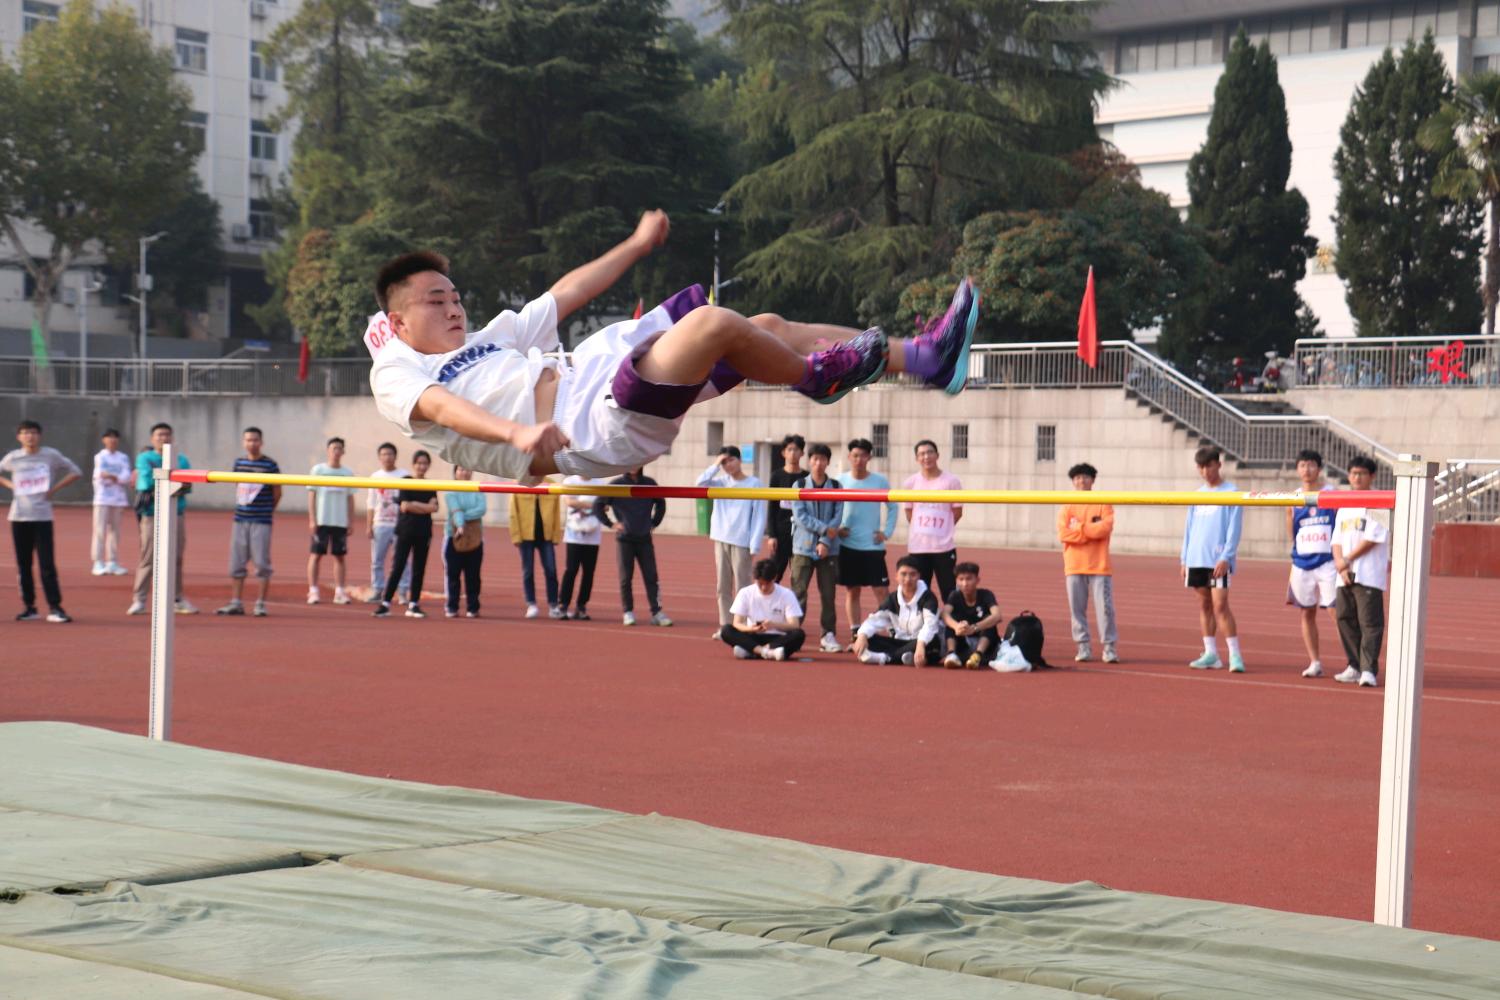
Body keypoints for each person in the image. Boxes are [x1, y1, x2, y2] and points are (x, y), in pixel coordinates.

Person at [365, 211, 979, 487]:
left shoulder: (485, 339)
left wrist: (636, 244)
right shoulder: (396, 370)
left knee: (762, 324)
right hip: (592, 424)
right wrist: (515, 433)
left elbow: (566, 294)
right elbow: (442, 408)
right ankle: (817, 377)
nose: (454, 309)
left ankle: (927, 359)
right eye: (436, 302)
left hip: (597, 371)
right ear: (397, 321)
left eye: (455, 297)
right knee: (712, 323)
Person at [1, 420, 81, 622]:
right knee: (23, 564)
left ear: (40, 435)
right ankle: (29, 607)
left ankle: (55, 607)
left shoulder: (50, 455)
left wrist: (54, 489)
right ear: (19, 437)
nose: (30, 436)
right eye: (26, 433)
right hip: (19, 517)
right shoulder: (13, 458)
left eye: (34, 432)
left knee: (47, 564)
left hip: (42, 517)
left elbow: (76, 471)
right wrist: (11, 485)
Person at [1181, 445, 1244, 672]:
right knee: (1204, 605)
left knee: (1220, 605)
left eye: (1209, 466)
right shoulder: (1197, 495)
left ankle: (1235, 655)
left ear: (1219, 464)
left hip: (1218, 559)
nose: (1205, 471)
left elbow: (1234, 528)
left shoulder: (1232, 493)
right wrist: (1184, 559)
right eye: (1201, 467)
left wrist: (1227, 556)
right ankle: (1211, 654)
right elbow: (1189, 528)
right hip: (1196, 558)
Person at [696, 445, 767, 639]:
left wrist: (755, 544)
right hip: (721, 539)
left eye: (731, 460)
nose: (728, 465)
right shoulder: (720, 483)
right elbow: (699, 484)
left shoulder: (754, 484)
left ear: (740, 460)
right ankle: (725, 627)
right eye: (724, 462)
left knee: (743, 587)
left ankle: (743, 625)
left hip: (742, 542)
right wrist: (715, 464)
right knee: (723, 586)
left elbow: (759, 516)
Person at [1332, 456, 1390, 688]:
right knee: (1344, 619)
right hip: (1344, 574)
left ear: (1372, 476)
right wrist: (1340, 564)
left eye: (1362, 473)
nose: (1357, 477)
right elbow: (1336, 539)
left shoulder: (1380, 502)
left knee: (1369, 623)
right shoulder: (1345, 504)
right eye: (1353, 473)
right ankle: (1354, 665)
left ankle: (1368, 669)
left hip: (1368, 574)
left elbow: (1373, 538)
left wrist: (1347, 560)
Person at [129, 422, 196, 615]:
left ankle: (177, 598)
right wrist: (169, 482)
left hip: (176, 513)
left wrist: (166, 482)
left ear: (172, 438)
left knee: (176, 557)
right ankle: (139, 599)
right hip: (152, 513)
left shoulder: (181, 460)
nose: (163, 438)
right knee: (148, 556)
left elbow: (187, 484)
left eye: (167, 434)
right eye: (159, 435)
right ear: (152, 438)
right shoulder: (145, 458)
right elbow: (146, 482)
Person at [838, 437, 897, 647]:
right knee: (852, 591)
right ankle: (855, 631)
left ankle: (893, 629)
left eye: (863, 455)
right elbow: (831, 508)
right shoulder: (840, 481)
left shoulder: (879, 481)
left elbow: (893, 506)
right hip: (848, 545)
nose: (859, 459)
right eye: (855, 455)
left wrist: (886, 532)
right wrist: (837, 529)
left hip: (873, 546)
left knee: (881, 591)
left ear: (869, 457)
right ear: (849, 457)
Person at [595, 465, 671, 627]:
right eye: (630, 462)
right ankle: (628, 611)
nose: (634, 466)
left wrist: (654, 522)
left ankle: (657, 612)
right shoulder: (616, 485)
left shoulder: (649, 483)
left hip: (644, 539)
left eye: (637, 462)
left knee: (652, 577)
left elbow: (661, 503)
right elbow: (597, 505)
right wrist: (611, 524)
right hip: (625, 540)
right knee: (625, 578)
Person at [1057, 462, 1118, 663]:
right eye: (1077, 478)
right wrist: (1090, 530)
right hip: (1074, 565)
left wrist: (1079, 529)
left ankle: (1109, 647)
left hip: (1099, 565)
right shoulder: (1067, 506)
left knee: (1105, 609)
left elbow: (1105, 528)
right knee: (1076, 609)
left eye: (1085, 477)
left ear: (1092, 480)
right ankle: (1083, 646)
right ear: (1073, 482)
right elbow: (1063, 534)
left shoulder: (1103, 503)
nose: (1081, 481)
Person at [1287, 449, 1339, 679]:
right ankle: (1315, 662)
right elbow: (1291, 528)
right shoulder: (1293, 498)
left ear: (1319, 468)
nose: (1306, 470)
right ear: (1297, 469)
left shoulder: (1331, 494)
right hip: (1302, 563)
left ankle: (1355, 661)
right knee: (1306, 612)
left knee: (1336, 612)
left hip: (1328, 562)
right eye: (1302, 465)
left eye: (1311, 465)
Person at [217, 427, 280, 617]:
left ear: (261, 442)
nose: (252, 443)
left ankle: (260, 603)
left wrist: (267, 510)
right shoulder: (239, 463)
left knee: (262, 563)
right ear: (244, 442)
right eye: (248, 440)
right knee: (236, 562)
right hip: (240, 519)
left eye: (255, 440)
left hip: (261, 520)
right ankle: (236, 602)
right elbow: (238, 486)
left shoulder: (270, 465)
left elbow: (277, 492)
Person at [789, 443, 844, 653]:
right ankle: (793, 630)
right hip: (802, 547)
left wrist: (825, 542)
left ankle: (828, 634)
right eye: (815, 459)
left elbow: (837, 518)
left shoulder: (837, 487)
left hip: (830, 549)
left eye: (823, 459)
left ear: (828, 462)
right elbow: (800, 516)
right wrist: (824, 531)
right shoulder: (799, 484)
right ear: (809, 460)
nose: (818, 463)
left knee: (828, 594)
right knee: (798, 592)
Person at [372, 449, 437, 619]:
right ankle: (385, 603)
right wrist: (424, 507)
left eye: (425, 463)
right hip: (405, 531)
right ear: (414, 464)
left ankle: (413, 604)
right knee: (398, 566)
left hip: (424, 532)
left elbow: (434, 507)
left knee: (419, 569)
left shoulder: (431, 485)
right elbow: (405, 506)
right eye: (419, 463)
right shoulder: (406, 481)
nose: (422, 466)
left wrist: (416, 505)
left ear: (428, 465)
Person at [852, 556, 942, 666]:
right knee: (866, 638)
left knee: (933, 642)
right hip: (900, 642)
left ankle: (886, 658)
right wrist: (862, 636)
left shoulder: (928, 597)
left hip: (921, 642)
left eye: (912, 574)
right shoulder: (892, 599)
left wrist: (920, 645)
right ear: (896, 576)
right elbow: (874, 620)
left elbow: (930, 626)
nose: (908, 579)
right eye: (903, 574)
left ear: (919, 576)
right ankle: (905, 656)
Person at [902, 440, 963, 602]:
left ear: (937, 455)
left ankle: (951, 619)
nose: (926, 457)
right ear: (917, 458)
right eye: (921, 454)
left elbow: (957, 512)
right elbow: (909, 513)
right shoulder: (910, 483)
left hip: (944, 547)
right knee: (919, 592)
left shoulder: (951, 481)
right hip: (918, 547)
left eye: (930, 452)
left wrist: (941, 530)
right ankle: (923, 618)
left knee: (949, 591)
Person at [721, 558, 806, 661]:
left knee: (799, 634)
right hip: (753, 635)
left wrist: (773, 625)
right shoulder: (745, 593)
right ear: (755, 579)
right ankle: (767, 652)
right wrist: (751, 629)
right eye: (760, 584)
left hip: (777, 637)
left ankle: (752, 651)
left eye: (767, 583)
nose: (764, 587)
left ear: (774, 578)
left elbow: (794, 624)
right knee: (726, 630)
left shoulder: (787, 594)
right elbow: (737, 623)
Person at [307, 437, 356, 606]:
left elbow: (350, 498)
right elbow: (312, 494)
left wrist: (350, 521)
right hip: (322, 520)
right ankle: (313, 590)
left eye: (339, 448)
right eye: (334, 448)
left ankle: (340, 592)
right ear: (328, 450)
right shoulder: (318, 470)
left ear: (343, 452)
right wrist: (312, 518)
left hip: (340, 521)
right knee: (316, 555)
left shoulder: (347, 472)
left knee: (339, 557)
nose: (336, 451)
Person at [366, 442, 411, 605]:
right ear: (379, 457)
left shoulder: (404, 476)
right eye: (384, 454)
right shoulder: (375, 477)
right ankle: (378, 589)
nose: (387, 457)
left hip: (400, 524)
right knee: (377, 560)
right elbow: (371, 502)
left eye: (390, 454)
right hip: (380, 524)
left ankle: (403, 591)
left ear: (395, 456)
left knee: (402, 560)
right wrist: (369, 525)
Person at [508, 488, 562, 618]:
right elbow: (513, 513)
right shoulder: (520, 485)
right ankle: (531, 604)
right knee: (528, 571)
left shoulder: (551, 485)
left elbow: (556, 513)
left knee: (551, 570)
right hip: (526, 535)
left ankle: (553, 605)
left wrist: (556, 535)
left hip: (546, 536)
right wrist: (515, 535)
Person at [443, 465, 487, 618]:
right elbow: (454, 509)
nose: (464, 472)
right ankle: (452, 606)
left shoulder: (477, 489)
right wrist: (460, 523)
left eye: (467, 469)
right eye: (461, 469)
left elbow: (481, 509)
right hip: (454, 537)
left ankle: (473, 607)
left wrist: (462, 516)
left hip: (474, 537)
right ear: (455, 472)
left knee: (473, 575)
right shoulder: (450, 490)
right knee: (453, 574)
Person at [942, 561, 1002, 669]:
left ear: (977, 580)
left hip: (985, 644)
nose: (965, 584)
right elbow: (945, 614)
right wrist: (957, 626)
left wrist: (974, 628)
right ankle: (951, 654)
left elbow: (997, 616)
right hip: (963, 643)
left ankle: (977, 656)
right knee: (952, 620)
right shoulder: (954, 595)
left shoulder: (986, 595)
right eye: (961, 579)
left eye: (969, 579)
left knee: (990, 620)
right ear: (956, 581)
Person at [558, 474, 602, 620]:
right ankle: (563, 604)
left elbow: (605, 506)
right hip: (573, 535)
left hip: (593, 536)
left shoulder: (600, 483)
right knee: (571, 570)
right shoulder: (570, 481)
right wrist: (592, 505)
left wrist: (581, 503)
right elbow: (568, 501)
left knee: (588, 573)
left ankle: (581, 606)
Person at [90, 428, 133, 576]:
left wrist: (114, 477)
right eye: (109, 437)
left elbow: (126, 476)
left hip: (118, 499)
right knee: (100, 531)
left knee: (115, 532)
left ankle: (112, 562)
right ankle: (98, 562)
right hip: (102, 498)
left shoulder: (123, 457)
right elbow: (100, 475)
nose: (112, 440)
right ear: (104, 440)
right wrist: (114, 477)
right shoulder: (100, 456)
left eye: (115, 437)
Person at [763, 434, 805, 582]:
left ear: (802, 453)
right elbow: (772, 507)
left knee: (798, 578)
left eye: (796, 449)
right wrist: (771, 535)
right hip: (780, 534)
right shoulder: (776, 476)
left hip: (801, 533)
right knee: (773, 576)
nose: (793, 453)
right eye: (790, 449)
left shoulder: (806, 477)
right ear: (783, 453)